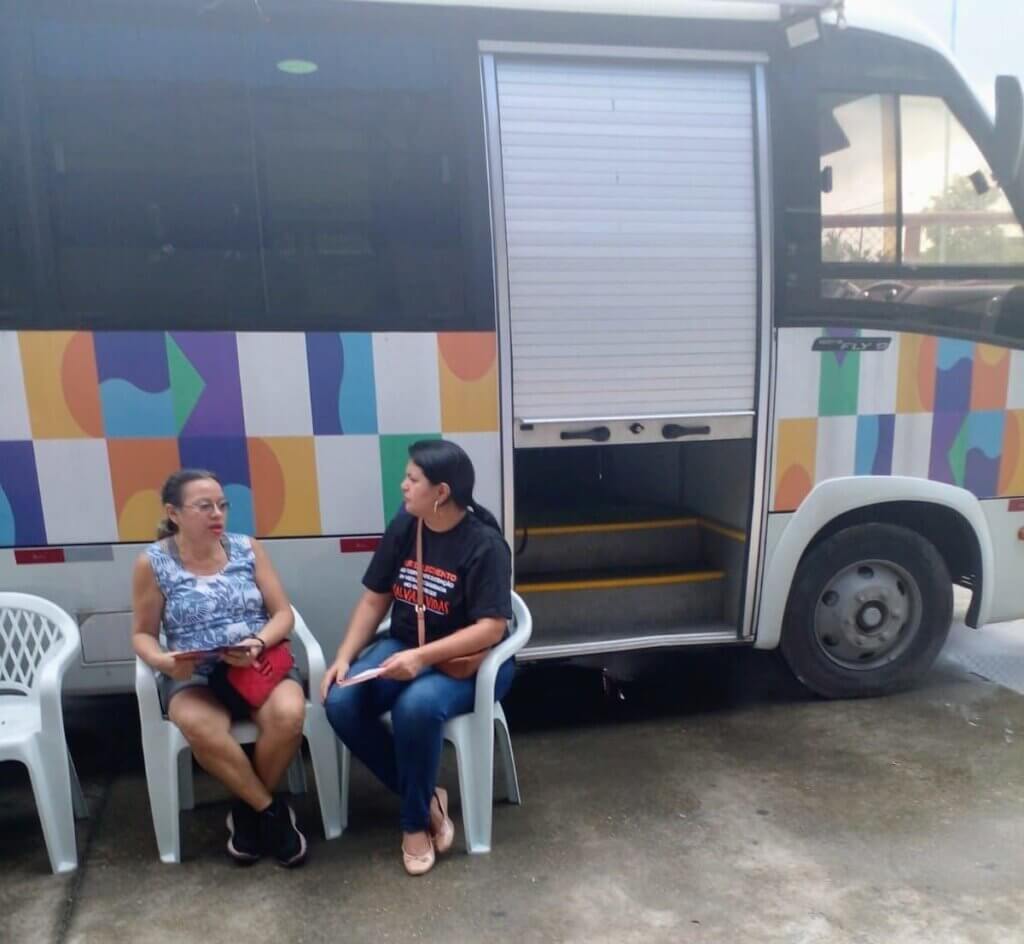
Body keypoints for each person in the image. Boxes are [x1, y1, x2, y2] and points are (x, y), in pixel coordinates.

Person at [321, 439, 514, 875]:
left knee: (416, 706)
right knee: (340, 701)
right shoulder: (406, 526)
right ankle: (427, 801)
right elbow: (375, 600)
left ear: (441, 492)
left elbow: (492, 628)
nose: (403, 486)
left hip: (469, 661)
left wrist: (422, 658)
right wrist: (344, 657)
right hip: (406, 645)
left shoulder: (485, 545)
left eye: (412, 479)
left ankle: (412, 825)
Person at [131, 469, 308, 867]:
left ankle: (246, 812)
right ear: (173, 513)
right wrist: (162, 661)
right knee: (200, 725)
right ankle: (271, 812)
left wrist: (258, 641)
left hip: (255, 663)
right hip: (195, 674)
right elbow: (142, 634)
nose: (217, 514)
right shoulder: (153, 562)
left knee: (289, 715)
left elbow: (282, 614)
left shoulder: (248, 548)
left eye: (222, 505)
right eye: (204, 506)